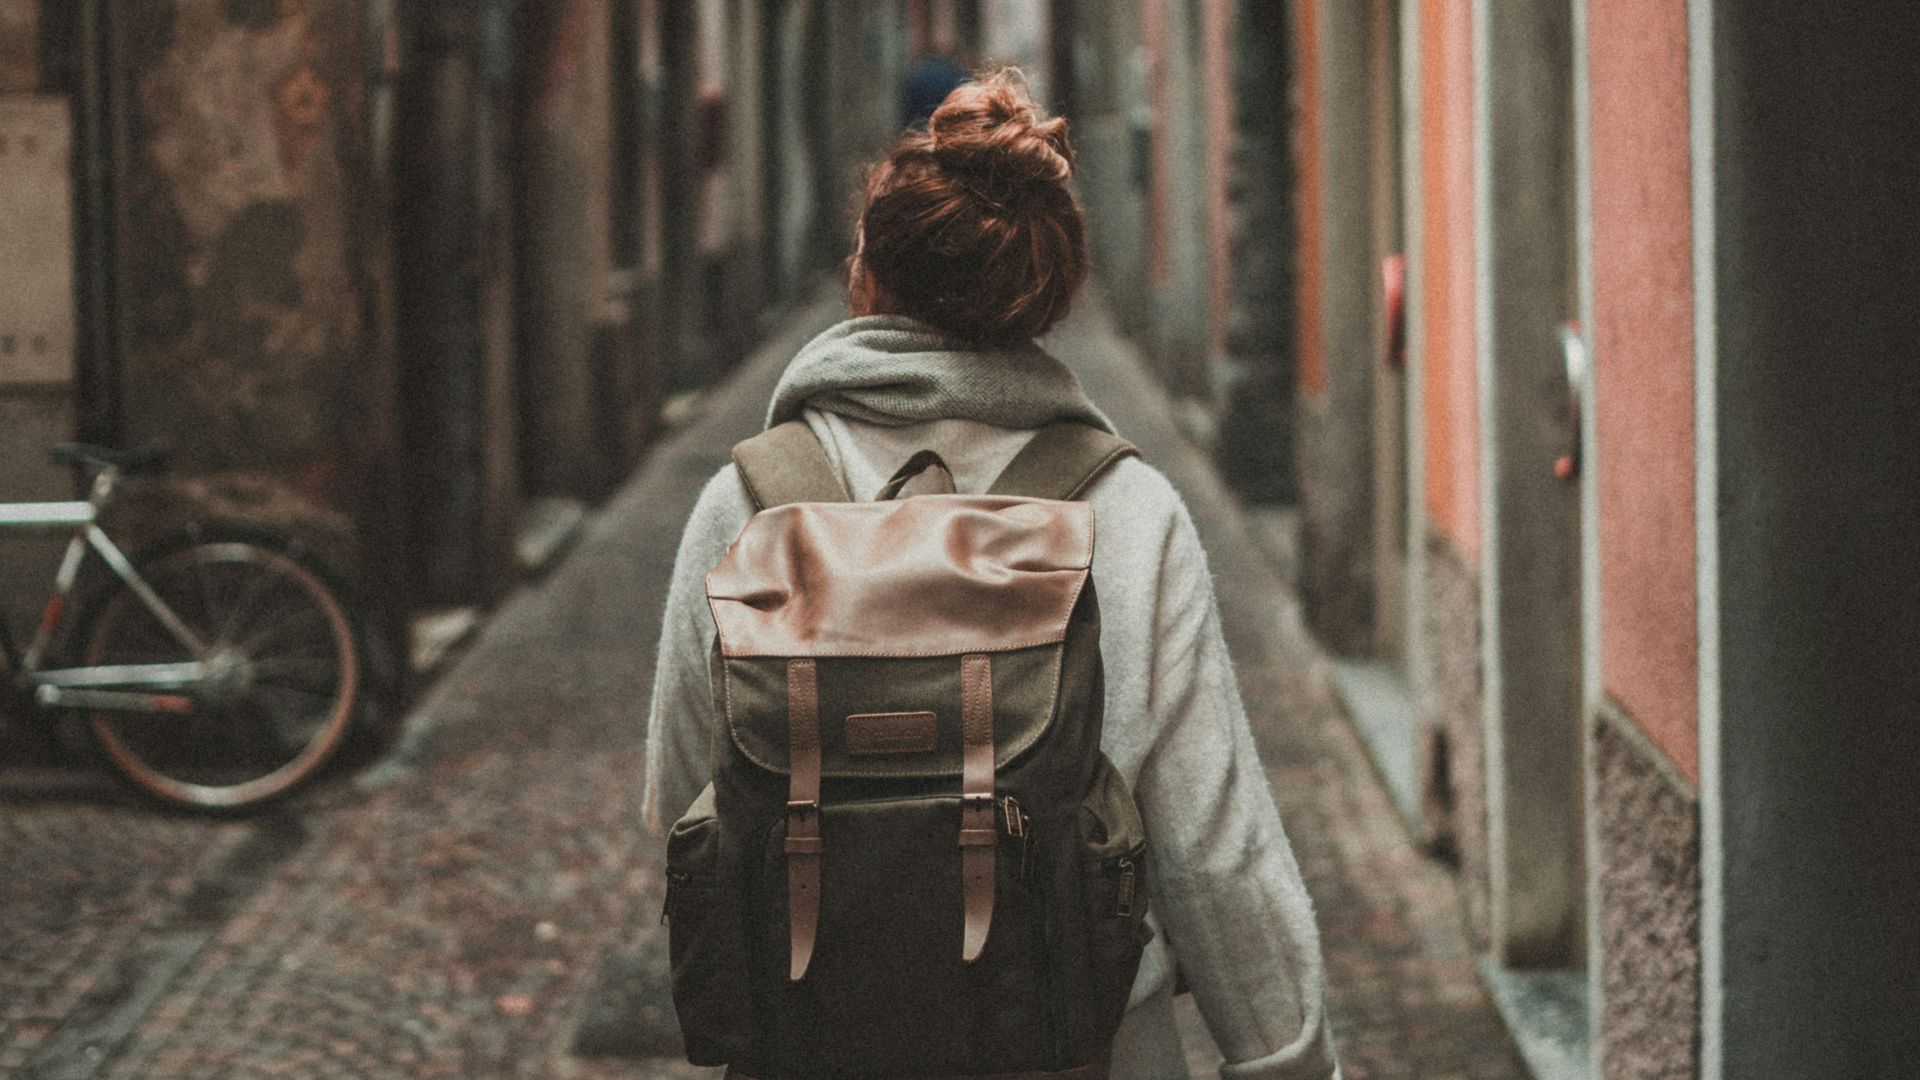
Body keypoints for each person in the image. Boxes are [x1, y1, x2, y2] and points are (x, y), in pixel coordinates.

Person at [643, 69, 1341, 1080]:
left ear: (867, 279)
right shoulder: (1127, 516)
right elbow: (1216, 855)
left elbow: (686, 801)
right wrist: (1290, 1060)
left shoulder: (751, 507)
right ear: (1046, 295)